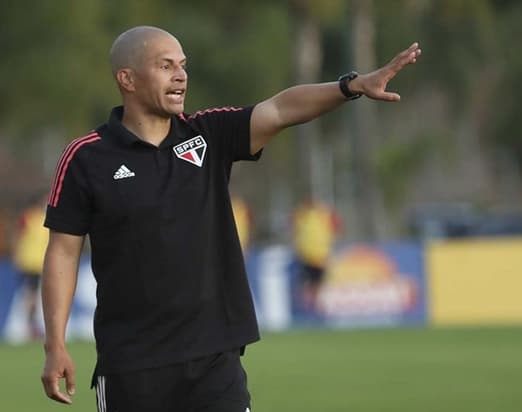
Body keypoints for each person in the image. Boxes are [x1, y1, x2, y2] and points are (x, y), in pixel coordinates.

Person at [40, 25, 420, 411]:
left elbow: (281, 109)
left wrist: (350, 86)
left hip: (214, 361)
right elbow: (63, 254)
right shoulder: (85, 158)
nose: (181, 75)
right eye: (165, 65)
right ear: (128, 79)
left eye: (183, 66)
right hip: (131, 368)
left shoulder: (207, 134)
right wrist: (55, 344)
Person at [292, 198, 342, 314]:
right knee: (310, 284)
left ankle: (312, 307)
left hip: (318, 255)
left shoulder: (309, 215)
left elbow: (337, 226)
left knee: (315, 284)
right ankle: (308, 308)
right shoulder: (305, 215)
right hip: (310, 255)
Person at [12, 193, 48, 340]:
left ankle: (32, 324)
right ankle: (31, 325)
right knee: (32, 295)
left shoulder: (35, 217)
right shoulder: (35, 217)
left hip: (35, 262)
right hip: (34, 262)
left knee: (33, 294)